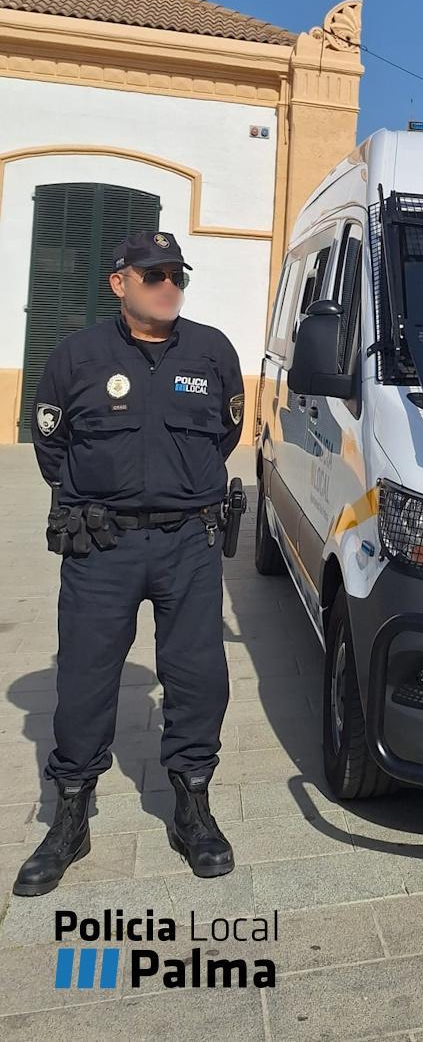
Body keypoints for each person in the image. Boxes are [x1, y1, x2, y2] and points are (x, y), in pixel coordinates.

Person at [14, 231, 244, 896]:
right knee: (85, 680)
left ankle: (192, 808)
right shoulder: (77, 356)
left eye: (177, 274)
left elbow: (227, 431)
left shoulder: (212, 351)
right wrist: (99, 498)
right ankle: (69, 818)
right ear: (119, 283)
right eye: (154, 274)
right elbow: (51, 443)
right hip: (102, 545)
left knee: (199, 675)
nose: (169, 283)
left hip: (190, 545)